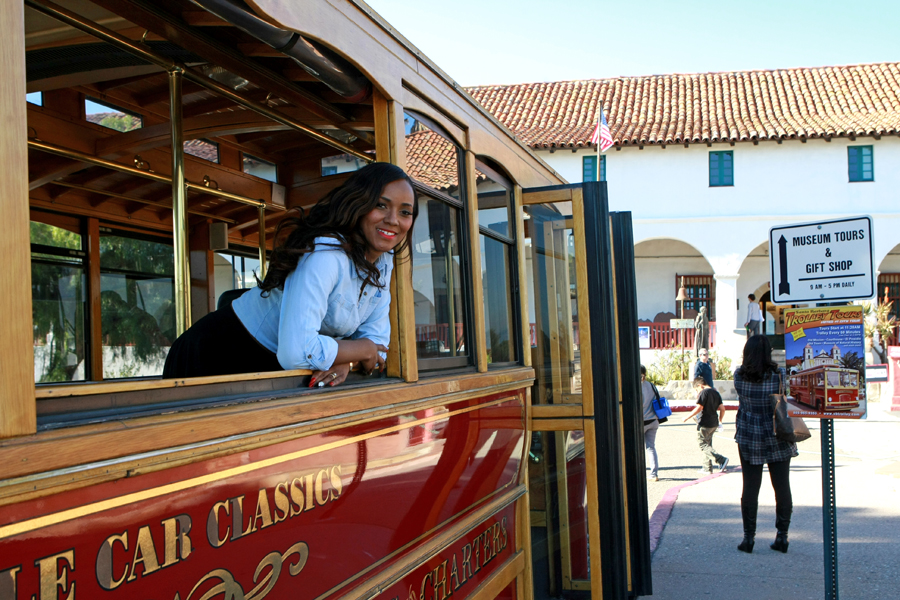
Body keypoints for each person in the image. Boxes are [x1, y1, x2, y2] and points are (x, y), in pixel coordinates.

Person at [163, 162, 417, 386]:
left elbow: (378, 346)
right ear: (359, 205)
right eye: (381, 205)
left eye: (405, 211)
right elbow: (296, 353)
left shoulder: (384, 262)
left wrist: (345, 359)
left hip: (270, 367)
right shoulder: (326, 254)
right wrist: (358, 350)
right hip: (217, 353)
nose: (393, 219)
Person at [733, 334, 797, 554]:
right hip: (777, 433)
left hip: (750, 435)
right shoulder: (779, 376)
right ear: (768, 352)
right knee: (782, 487)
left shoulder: (739, 376)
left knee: (750, 487)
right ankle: (782, 537)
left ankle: (748, 538)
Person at [683, 376, 728, 475]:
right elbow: (722, 409)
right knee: (708, 445)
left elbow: (699, 408)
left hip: (704, 423)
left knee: (702, 444)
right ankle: (707, 468)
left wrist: (687, 417)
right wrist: (720, 421)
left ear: (700, 385)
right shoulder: (716, 392)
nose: (697, 392)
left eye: (696, 389)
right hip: (714, 423)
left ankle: (721, 460)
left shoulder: (704, 392)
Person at [640, 365, 662, 482]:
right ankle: (654, 474)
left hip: (641, 421)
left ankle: (638, 472)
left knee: (638, 448)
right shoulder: (651, 386)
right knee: (651, 448)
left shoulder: (637, 387)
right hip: (654, 420)